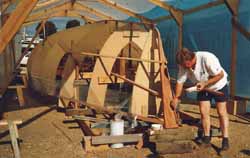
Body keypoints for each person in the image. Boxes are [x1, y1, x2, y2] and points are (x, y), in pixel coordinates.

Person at [171, 48, 230, 150]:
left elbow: (220, 75)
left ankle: (225, 139)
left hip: (219, 86)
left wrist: (205, 83)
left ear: (192, 59)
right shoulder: (183, 64)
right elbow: (180, 81)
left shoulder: (207, 58)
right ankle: (206, 137)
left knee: (221, 112)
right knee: (203, 112)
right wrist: (176, 98)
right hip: (202, 87)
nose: (185, 67)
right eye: (183, 66)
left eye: (186, 65)